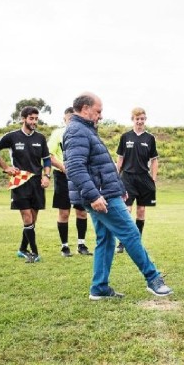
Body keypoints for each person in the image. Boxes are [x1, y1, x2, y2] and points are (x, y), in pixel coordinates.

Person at [64, 92, 172, 300]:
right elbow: (75, 168)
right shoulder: (77, 131)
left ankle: (99, 288)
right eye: (98, 111)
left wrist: (119, 189)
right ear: (85, 109)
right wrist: (95, 196)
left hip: (105, 193)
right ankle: (153, 279)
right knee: (130, 233)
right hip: (100, 197)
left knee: (105, 239)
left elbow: (101, 166)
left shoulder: (86, 130)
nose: (101, 116)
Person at [0, 106, 52, 264]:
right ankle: (34, 253)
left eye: (36, 119)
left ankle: (23, 249)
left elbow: (47, 160)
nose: (34, 122)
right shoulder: (12, 137)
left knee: (33, 219)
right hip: (20, 181)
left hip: (37, 182)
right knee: (27, 216)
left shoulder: (40, 138)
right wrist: (6, 168)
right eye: (31, 118)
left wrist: (46, 176)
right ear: (23, 119)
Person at [47, 106, 91, 257]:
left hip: (79, 176)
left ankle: (81, 244)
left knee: (82, 211)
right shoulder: (58, 133)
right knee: (64, 212)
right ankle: (64, 247)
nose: (71, 121)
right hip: (62, 177)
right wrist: (63, 166)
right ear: (64, 119)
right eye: (69, 118)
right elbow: (49, 156)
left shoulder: (82, 132)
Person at [114, 107, 159, 253]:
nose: (139, 121)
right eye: (137, 119)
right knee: (126, 210)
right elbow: (120, 158)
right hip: (127, 177)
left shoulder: (150, 138)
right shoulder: (125, 137)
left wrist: (153, 178)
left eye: (142, 119)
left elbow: (154, 160)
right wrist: (116, 175)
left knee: (141, 211)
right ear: (132, 119)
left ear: (145, 119)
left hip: (143, 178)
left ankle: (137, 241)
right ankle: (122, 242)